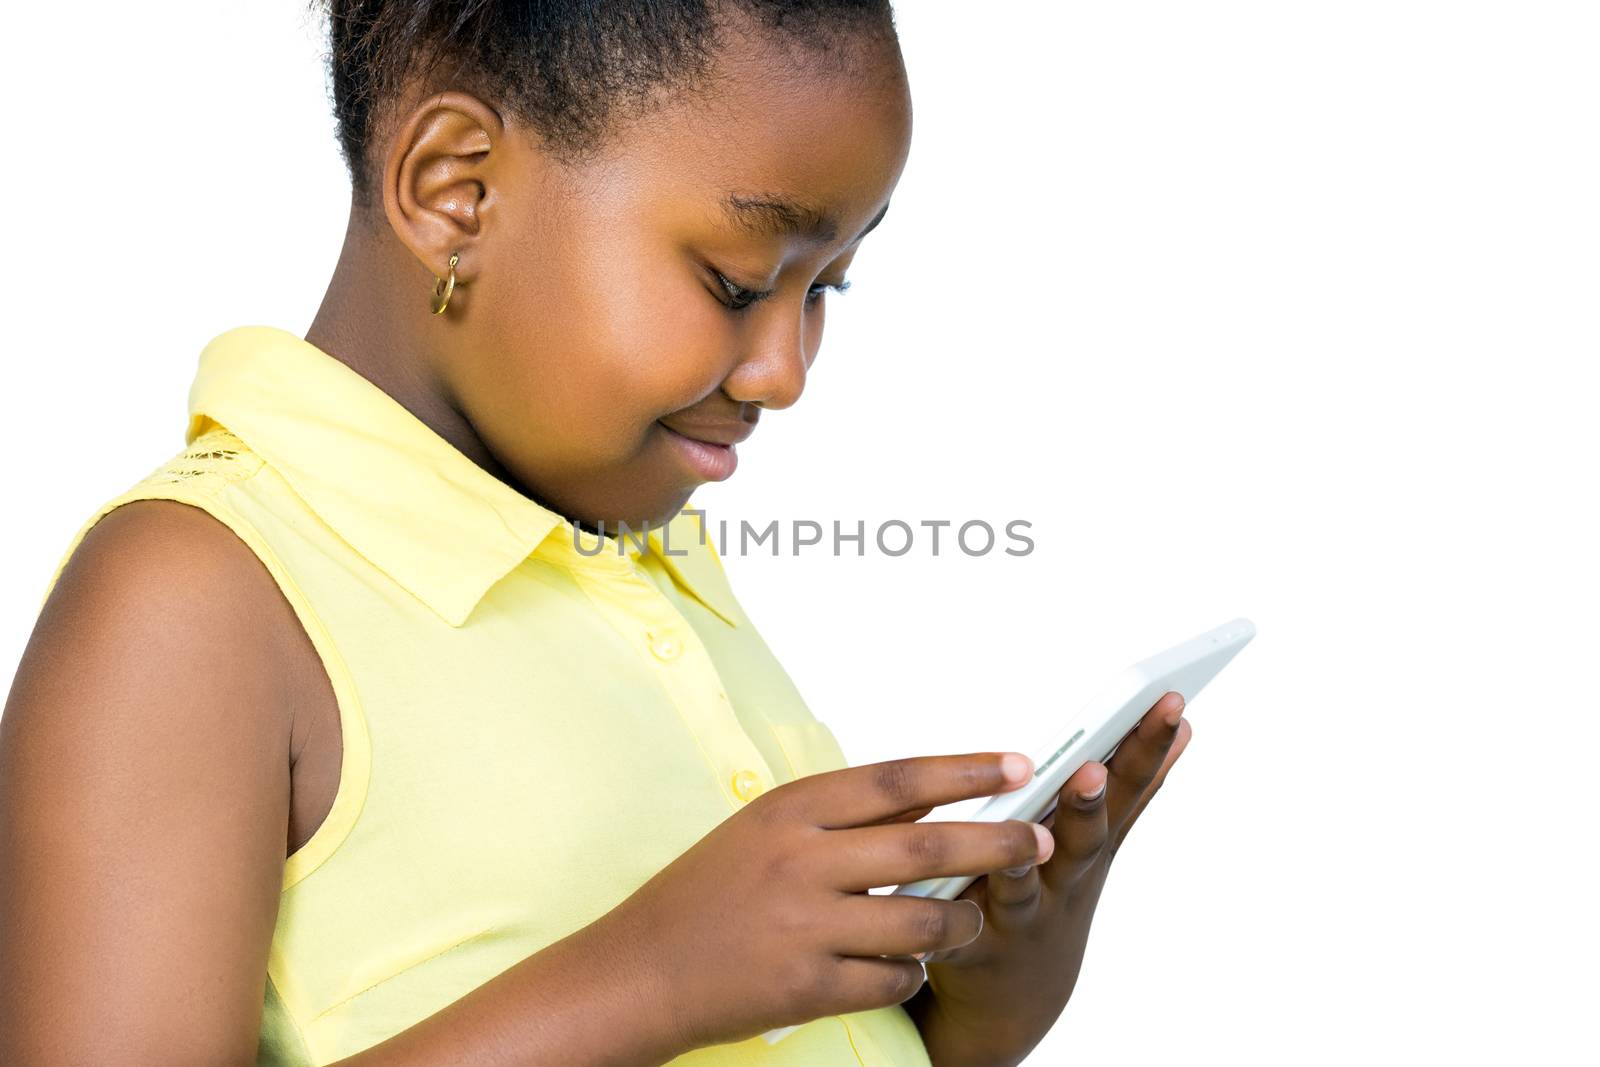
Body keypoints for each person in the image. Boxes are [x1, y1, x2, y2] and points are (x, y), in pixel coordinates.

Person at [0, 2, 1193, 1064]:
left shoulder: (640, 549)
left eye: (826, 286)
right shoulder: (194, 596)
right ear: (453, 188)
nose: (784, 372)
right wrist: (649, 977)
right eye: (737, 281)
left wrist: (974, 995)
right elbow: (668, 990)